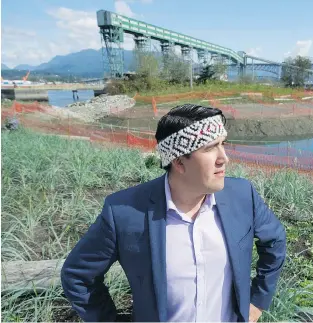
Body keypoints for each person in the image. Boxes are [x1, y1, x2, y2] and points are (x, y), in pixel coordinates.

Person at [61, 103, 287, 322]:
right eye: (209, 148)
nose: (223, 158)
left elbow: (275, 240)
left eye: (223, 144)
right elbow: (78, 275)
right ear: (179, 162)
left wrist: (258, 300)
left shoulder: (242, 195)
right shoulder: (124, 212)